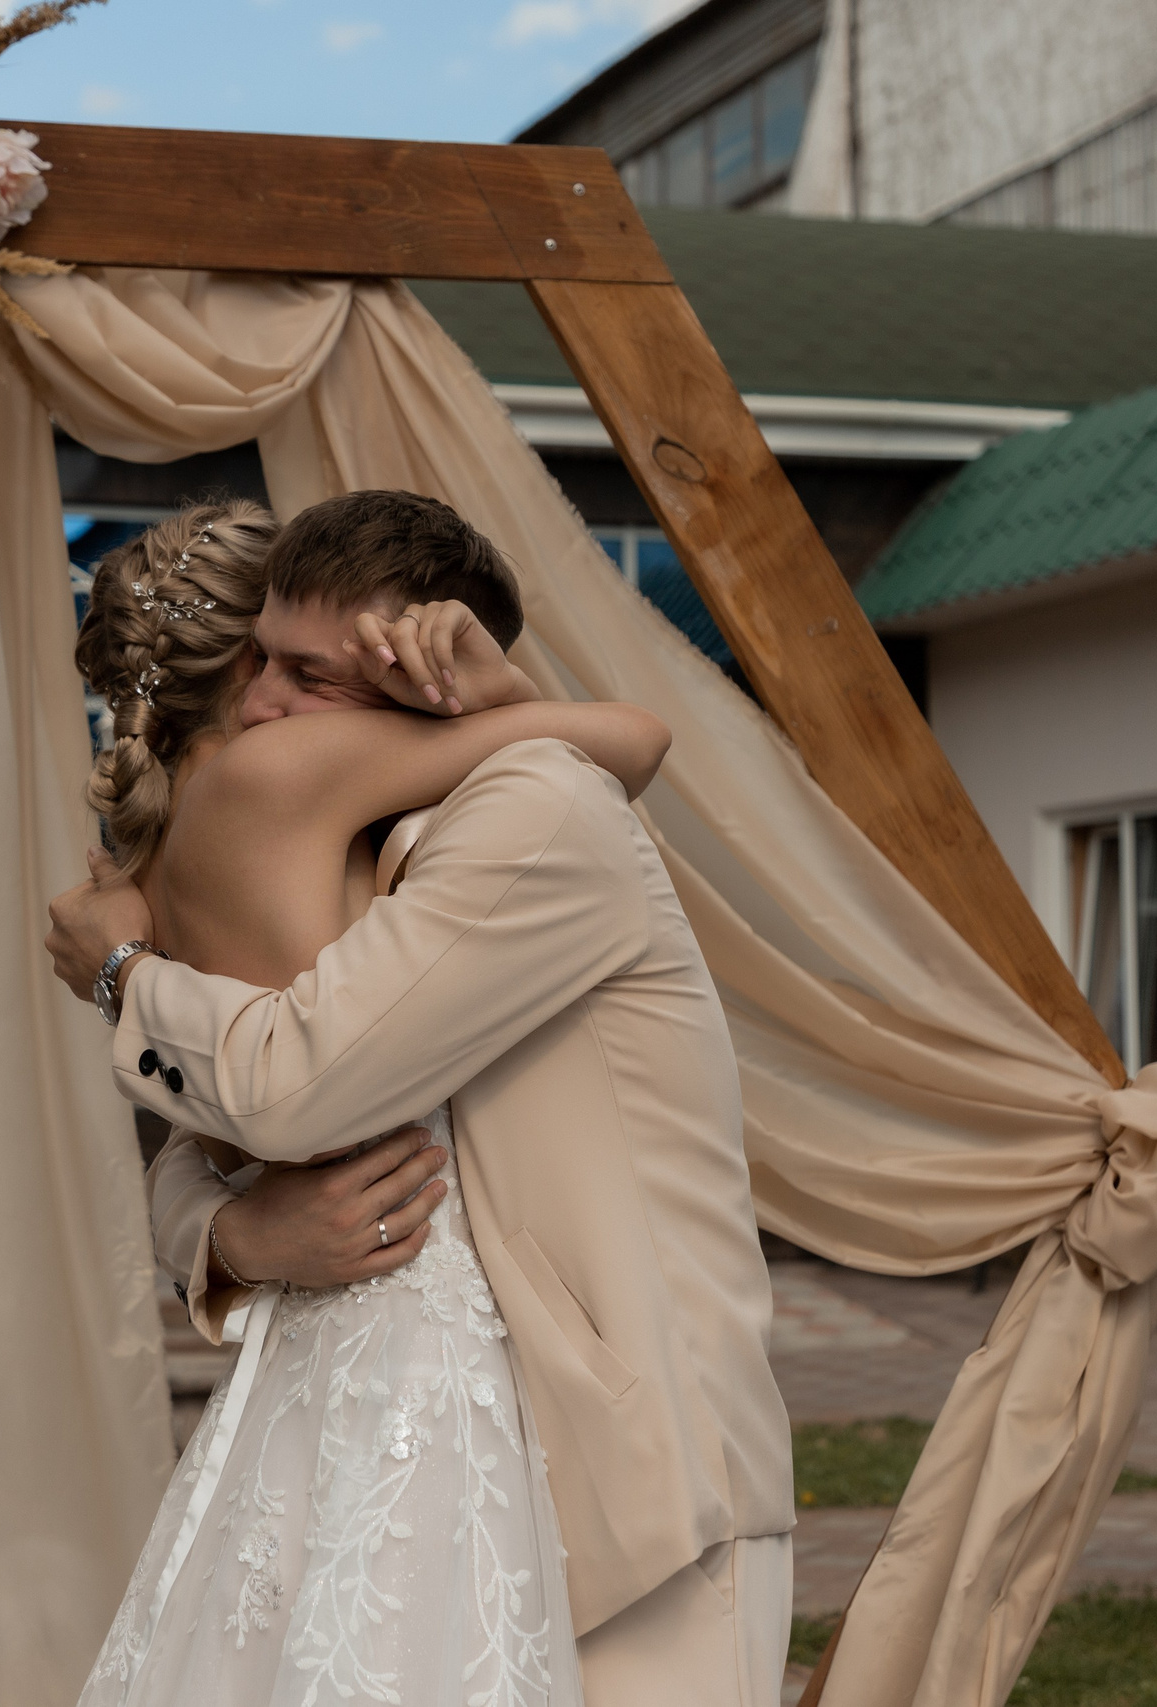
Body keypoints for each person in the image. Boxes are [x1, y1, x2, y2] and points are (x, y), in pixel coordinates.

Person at [50, 490, 794, 1707]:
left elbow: (294, 1087)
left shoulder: (538, 814)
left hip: (639, 1484)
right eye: (260, 665)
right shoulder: (357, 841)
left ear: (424, 668)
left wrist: (128, 977)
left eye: (311, 675)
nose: (267, 708)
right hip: (427, 1465)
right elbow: (212, 1146)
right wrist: (234, 1237)